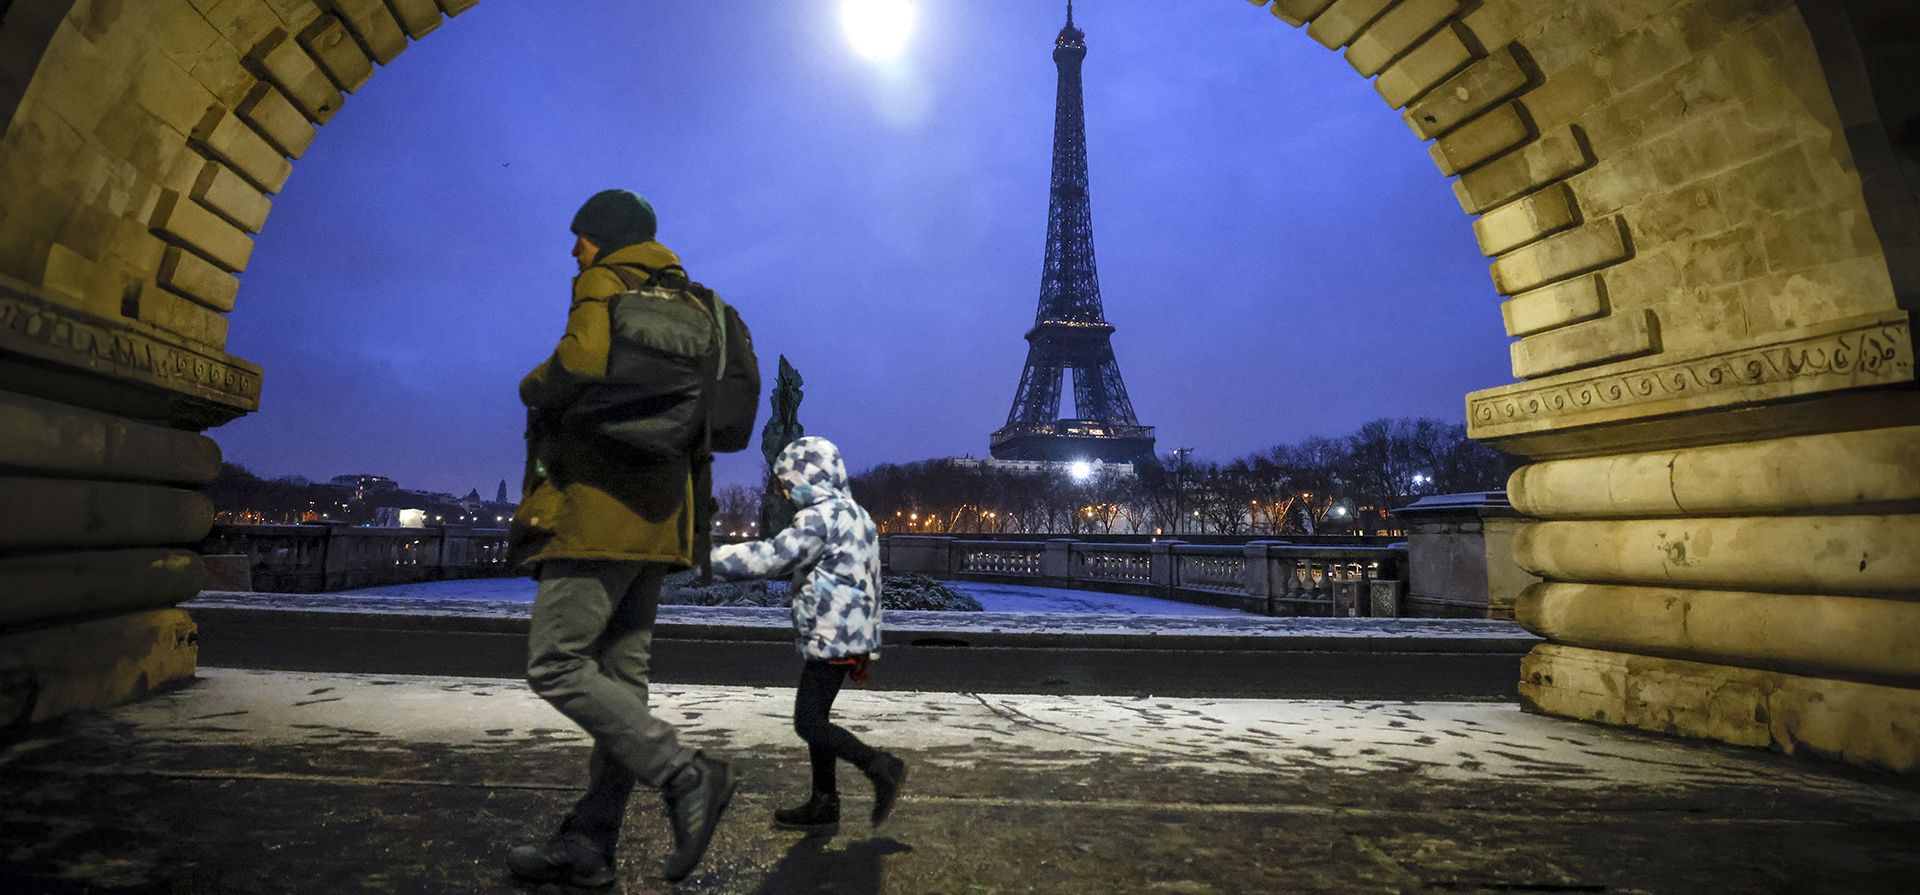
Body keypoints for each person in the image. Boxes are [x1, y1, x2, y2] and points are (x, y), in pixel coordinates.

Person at [505, 189, 752, 886]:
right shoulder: (702, 302)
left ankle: (686, 772)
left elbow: (580, 363)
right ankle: (590, 842)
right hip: (664, 515)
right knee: (621, 680)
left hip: (599, 504)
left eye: (580, 235)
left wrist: (532, 383)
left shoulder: (603, 281)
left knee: (555, 661)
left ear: (606, 239)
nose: (573, 248)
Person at [711, 435, 908, 834]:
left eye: (785, 482)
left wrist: (706, 558)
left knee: (807, 722)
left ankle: (880, 766)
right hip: (849, 633)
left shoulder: (820, 518)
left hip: (832, 635)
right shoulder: (857, 515)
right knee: (818, 717)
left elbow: (771, 557)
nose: (783, 493)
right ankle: (824, 801)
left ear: (805, 477)